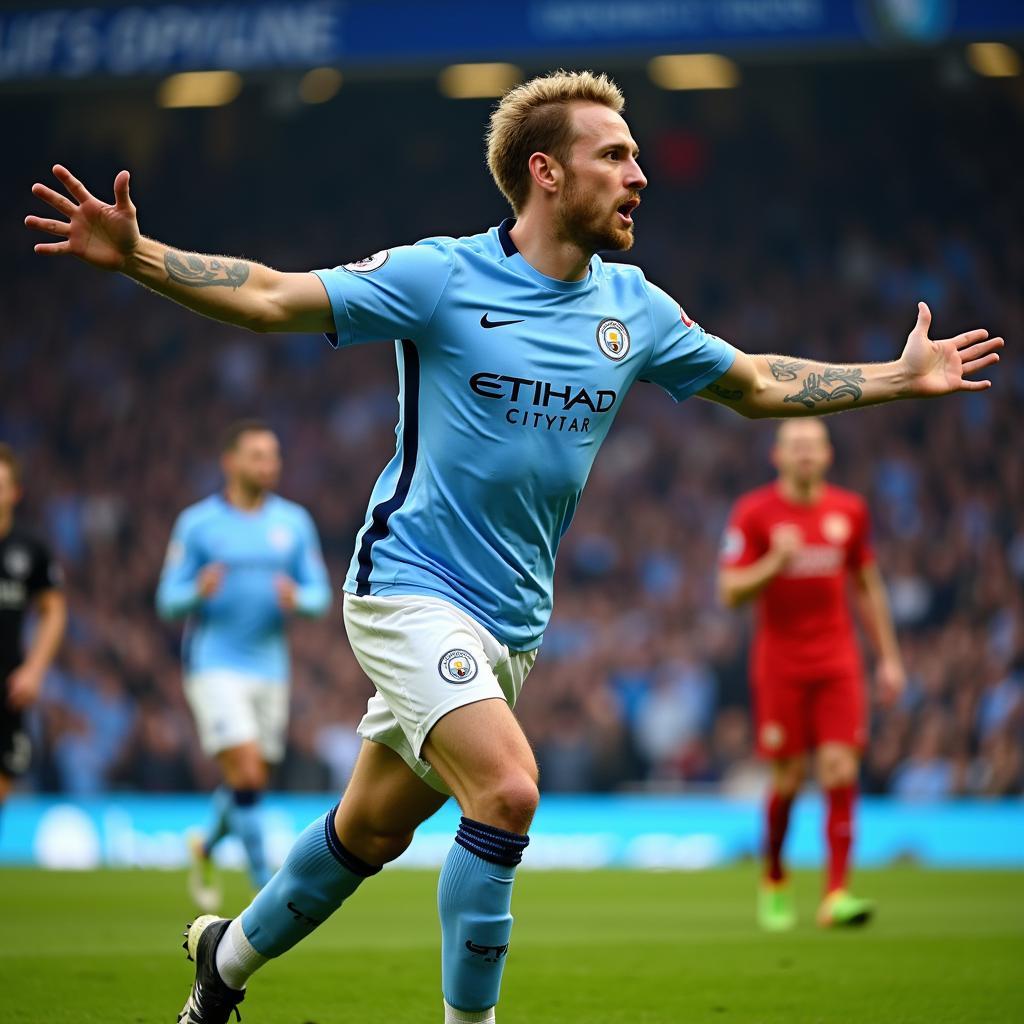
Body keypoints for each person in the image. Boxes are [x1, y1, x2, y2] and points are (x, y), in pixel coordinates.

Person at [26, 69, 1001, 1024]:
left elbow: (751, 382)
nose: (638, 175)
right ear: (545, 171)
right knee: (508, 789)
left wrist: (892, 375)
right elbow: (277, 295)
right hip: (408, 583)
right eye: (613, 155)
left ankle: (222, 963)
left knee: (366, 830)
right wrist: (142, 255)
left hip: (511, 624)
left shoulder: (637, 307)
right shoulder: (440, 275)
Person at [718, 419, 906, 931]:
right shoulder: (754, 513)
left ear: (827, 456)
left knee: (841, 770)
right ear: (777, 456)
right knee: (790, 778)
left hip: (837, 661)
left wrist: (888, 657)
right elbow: (730, 591)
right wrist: (773, 563)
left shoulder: (849, 511)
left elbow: (867, 585)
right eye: (794, 446)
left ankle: (837, 894)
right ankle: (775, 877)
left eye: (813, 446)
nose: (804, 454)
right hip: (779, 664)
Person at [156, 420, 331, 908]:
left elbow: (319, 595)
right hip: (214, 663)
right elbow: (167, 600)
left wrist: (298, 596)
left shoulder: (293, 523)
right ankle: (266, 887)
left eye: (273, 456)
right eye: (257, 455)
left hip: (271, 667)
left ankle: (206, 843)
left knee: (250, 778)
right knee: (250, 774)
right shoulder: (198, 524)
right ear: (229, 462)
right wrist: (197, 590)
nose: (268, 465)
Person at [0, 444, 66, 835]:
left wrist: (35, 670)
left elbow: (53, 609)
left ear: (15, 493)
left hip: (10, 685)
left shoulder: (30, 549)